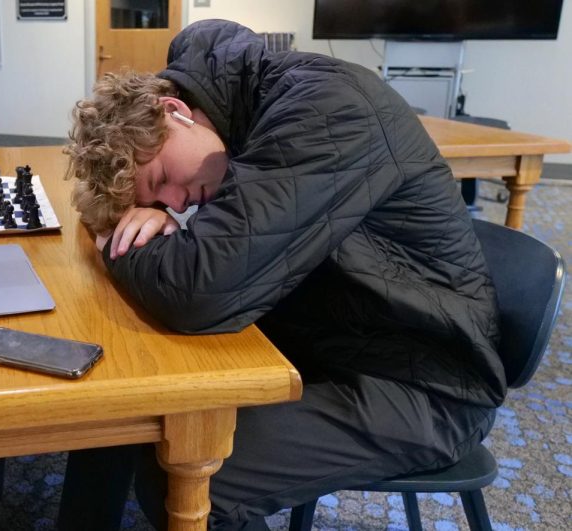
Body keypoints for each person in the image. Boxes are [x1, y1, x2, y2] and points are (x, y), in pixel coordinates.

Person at [59, 19, 503, 530]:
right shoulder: (235, 113)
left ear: (174, 111)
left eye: (162, 181)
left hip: (424, 381)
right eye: (160, 201)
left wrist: (120, 245)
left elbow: (201, 290)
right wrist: (151, 218)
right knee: (127, 409)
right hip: (330, 340)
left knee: (188, 476)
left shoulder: (326, 110)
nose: (177, 203)